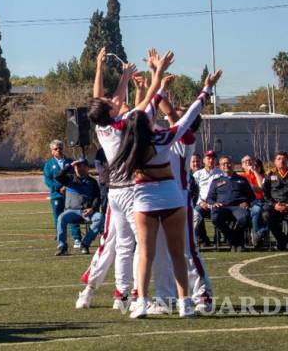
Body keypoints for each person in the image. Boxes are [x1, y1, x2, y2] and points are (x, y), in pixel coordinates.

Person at [115, 54, 219, 319]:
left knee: (156, 253)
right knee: (174, 253)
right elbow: (178, 115)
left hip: (153, 199)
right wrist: (205, 90)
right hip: (173, 197)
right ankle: (177, 301)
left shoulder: (129, 142)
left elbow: (147, 109)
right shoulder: (166, 137)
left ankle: (156, 299)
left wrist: (156, 79)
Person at [74, 49, 144, 310]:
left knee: (114, 244)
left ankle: (107, 293)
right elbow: (115, 99)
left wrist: (101, 67)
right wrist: (127, 77)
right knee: (136, 244)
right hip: (130, 191)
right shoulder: (121, 125)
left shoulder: (102, 125)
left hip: (114, 192)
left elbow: (100, 98)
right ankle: (132, 293)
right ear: (110, 111)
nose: (115, 101)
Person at [55, 157, 104, 255]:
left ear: (87, 168)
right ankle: (62, 246)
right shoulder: (69, 179)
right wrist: (70, 165)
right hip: (71, 211)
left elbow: (97, 197)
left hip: (86, 212)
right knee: (61, 217)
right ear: (75, 168)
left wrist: (93, 209)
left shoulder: (92, 182)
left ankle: (85, 244)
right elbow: (58, 177)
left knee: (100, 217)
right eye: (78, 166)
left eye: (83, 166)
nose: (81, 168)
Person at [206, 156, 256, 251]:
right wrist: (214, 203)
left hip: (238, 207)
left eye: (228, 163)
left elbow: (251, 196)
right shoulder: (216, 181)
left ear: (233, 164)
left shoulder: (242, 180)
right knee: (215, 217)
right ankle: (234, 240)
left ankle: (234, 241)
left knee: (245, 218)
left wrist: (246, 202)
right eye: (223, 164)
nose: (226, 165)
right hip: (222, 207)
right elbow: (209, 198)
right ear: (220, 167)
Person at [261, 151, 288, 251]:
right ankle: (283, 240)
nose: (282, 161)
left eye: (284, 159)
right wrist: (274, 205)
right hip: (275, 207)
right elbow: (265, 194)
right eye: (279, 159)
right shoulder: (269, 175)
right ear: (275, 162)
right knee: (265, 215)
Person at [44, 140, 80, 246]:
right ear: (52, 151)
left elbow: (75, 175)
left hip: (70, 193)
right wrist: (59, 188)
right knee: (58, 217)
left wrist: (67, 186)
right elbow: (47, 180)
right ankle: (61, 239)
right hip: (56, 195)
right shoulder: (49, 164)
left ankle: (77, 238)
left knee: (73, 215)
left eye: (60, 148)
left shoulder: (70, 162)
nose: (58, 150)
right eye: (56, 149)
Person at [193, 150, 224, 246]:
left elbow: (223, 191)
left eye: (213, 158)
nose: (211, 160)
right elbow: (194, 192)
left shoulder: (220, 174)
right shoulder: (197, 174)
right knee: (196, 213)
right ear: (204, 160)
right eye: (208, 158)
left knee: (220, 213)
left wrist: (216, 202)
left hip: (217, 203)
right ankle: (203, 239)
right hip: (202, 204)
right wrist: (200, 202)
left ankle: (218, 238)